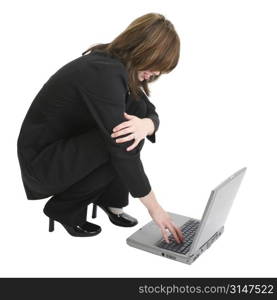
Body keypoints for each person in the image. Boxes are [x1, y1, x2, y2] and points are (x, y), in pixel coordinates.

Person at [17, 12, 184, 244]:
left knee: (132, 127)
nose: (155, 74)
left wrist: (146, 125)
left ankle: (109, 200)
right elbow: (121, 145)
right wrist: (155, 208)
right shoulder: (103, 72)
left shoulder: (119, 69)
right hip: (43, 163)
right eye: (156, 66)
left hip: (66, 151)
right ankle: (65, 209)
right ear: (142, 50)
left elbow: (149, 112)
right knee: (123, 138)